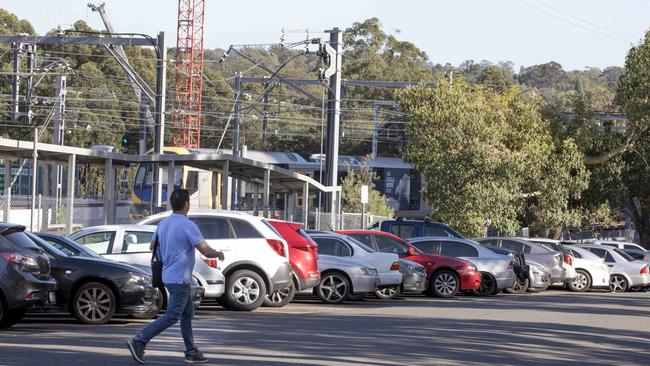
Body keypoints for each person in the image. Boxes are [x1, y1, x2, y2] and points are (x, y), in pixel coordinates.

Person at [127, 189, 224, 364]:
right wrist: (218, 253)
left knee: (187, 314)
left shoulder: (163, 224)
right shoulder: (188, 225)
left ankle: (191, 351)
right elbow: (205, 250)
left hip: (170, 276)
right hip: (179, 279)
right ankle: (139, 341)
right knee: (172, 315)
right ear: (187, 204)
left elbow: (152, 246)